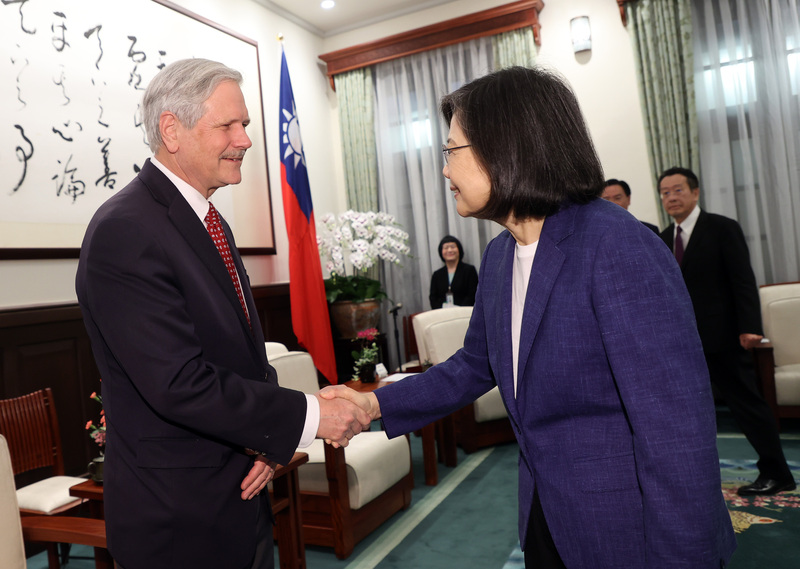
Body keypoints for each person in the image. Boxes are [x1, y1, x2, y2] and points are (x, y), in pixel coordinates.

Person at [322, 67, 735, 568]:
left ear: (505, 147)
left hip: (626, 527)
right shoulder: (500, 255)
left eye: (452, 151)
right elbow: (475, 364)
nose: (446, 171)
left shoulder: (617, 246)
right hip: (545, 511)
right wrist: (373, 404)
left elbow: (675, 430)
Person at [75, 59, 370, 569]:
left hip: (241, 491)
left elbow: (242, 357)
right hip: (178, 520)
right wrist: (309, 417)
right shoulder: (125, 230)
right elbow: (178, 383)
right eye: (228, 126)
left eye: (246, 125)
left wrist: (268, 442)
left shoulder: (208, 220)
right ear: (172, 130)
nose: (245, 140)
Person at [658, 166, 796, 497]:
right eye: (664, 192)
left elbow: (742, 280)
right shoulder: (662, 238)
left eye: (678, 190)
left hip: (723, 337)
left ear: (695, 192)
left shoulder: (721, 228)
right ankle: (691, 476)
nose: (671, 197)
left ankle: (777, 473)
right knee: (686, 411)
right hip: (683, 342)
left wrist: (750, 327)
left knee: (747, 406)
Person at [428, 235, 479, 309]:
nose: (449, 250)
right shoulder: (437, 275)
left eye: (453, 247)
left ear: (459, 250)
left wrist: (458, 311)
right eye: (446, 248)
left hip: (465, 312)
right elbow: (433, 298)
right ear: (441, 252)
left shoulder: (469, 270)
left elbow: (473, 294)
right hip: (442, 314)